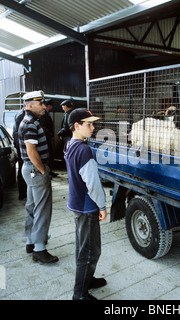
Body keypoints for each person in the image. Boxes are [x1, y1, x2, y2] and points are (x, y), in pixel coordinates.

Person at [64, 108, 107, 300]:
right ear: (77, 126)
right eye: (88, 124)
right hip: (86, 206)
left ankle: (86, 280)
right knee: (90, 251)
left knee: (83, 247)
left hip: (76, 204)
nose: (93, 127)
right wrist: (103, 206)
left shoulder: (70, 144)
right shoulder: (84, 150)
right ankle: (80, 294)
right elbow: (93, 184)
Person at [18, 90, 59, 264]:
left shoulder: (29, 121)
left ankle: (30, 241)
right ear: (30, 105)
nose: (44, 106)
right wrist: (43, 170)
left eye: (43, 103)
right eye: (40, 103)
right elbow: (31, 151)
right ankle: (40, 249)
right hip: (35, 170)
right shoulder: (30, 123)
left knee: (32, 206)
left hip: (30, 170)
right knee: (42, 209)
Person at [39, 99, 58, 177]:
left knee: (51, 154)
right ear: (49, 106)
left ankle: (50, 170)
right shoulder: (44, 114)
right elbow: (43, 126)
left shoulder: (47, 113)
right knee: (49, 154)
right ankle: (48, 171)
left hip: (48, 137)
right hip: (46, 137)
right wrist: (50, 135)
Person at [12, 106, 27, 200]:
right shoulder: (22, 115)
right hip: (22, 147)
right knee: (22, 169)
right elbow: (19, 134)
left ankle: (23, 192)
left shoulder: (20, 113)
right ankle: (22, 193)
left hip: (20, 146)